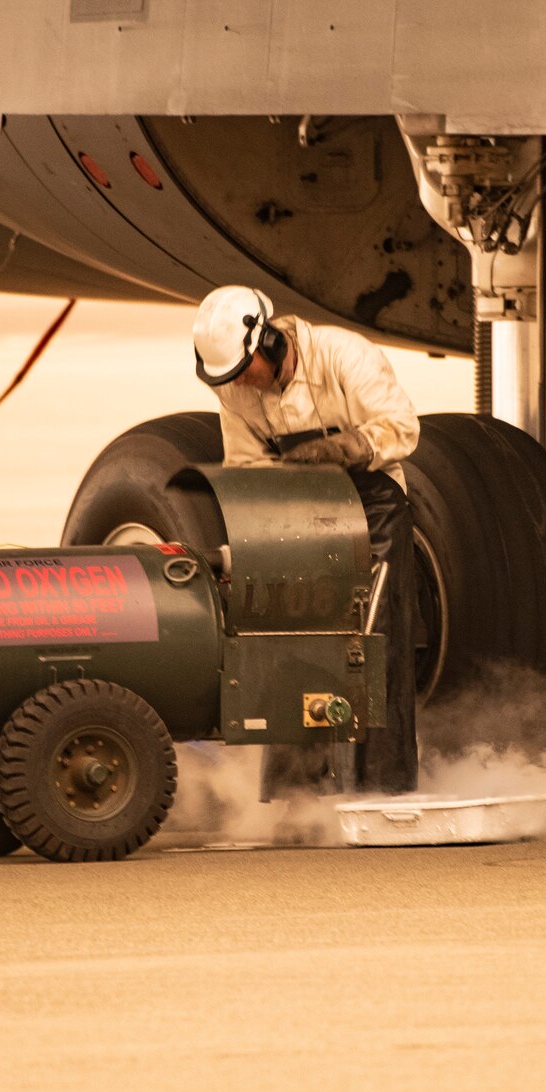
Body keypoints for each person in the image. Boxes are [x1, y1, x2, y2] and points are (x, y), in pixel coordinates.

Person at [192, 285, 419, 794]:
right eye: (228, 378)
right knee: (290, 637)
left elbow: (403, 428)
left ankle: (384, 789)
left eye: (243, 370)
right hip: (298, 508)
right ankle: (296, 792)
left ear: (271, 341)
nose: (239, 385)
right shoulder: (234, 389)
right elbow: (246, 466)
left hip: (373, 506)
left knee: (374, 643)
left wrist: (348, 447)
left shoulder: (345, 355)